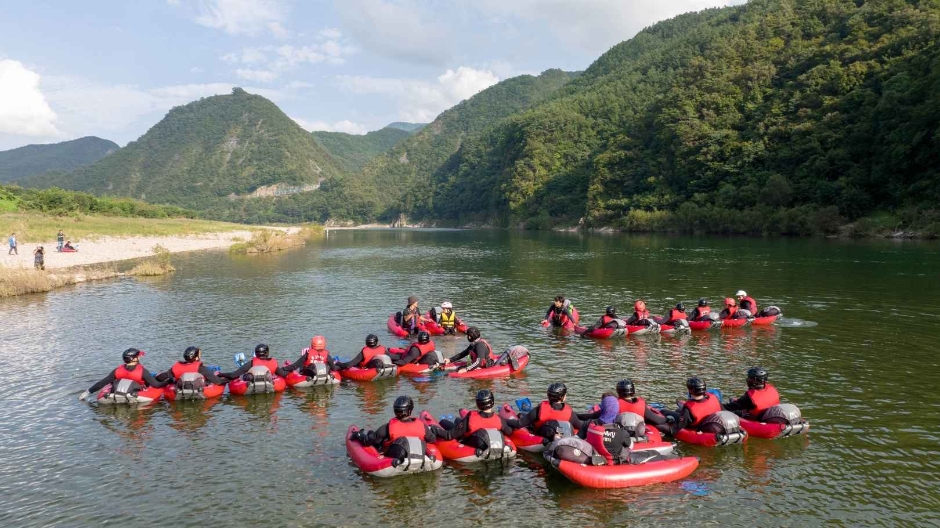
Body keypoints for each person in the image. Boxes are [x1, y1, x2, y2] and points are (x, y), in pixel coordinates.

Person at [350, 395, 438, 464]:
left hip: (396, 456)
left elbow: (367, 441)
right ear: (410, 411)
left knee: (371, 434)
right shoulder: (422, 426)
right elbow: (432, 439)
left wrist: (358, 435)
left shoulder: (387, 427)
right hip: (418, 453)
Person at [433, 389, 517, 453]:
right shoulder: (499, 419)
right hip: (486, 442)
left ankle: (439, 425)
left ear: (478, 404)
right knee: (458, 420)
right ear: (492, 402)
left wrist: (433, 429)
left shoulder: (471, 417)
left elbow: (449, 435)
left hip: (469, 442)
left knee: (443, 422)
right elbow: (509, 432)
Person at [78, 348, 169, 400]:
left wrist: (87, 392)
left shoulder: (117, 371)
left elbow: (101, 383)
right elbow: (156, 385)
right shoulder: (142, 371)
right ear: (133, 359)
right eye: (138, 356)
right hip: (135, 394)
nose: (140, 357)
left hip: (115, 393)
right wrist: (169, 381)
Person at [580, 379, 669, 429]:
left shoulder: (615, 405)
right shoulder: (641, 404)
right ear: (633, 391)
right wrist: (668, 419)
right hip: (637, 433)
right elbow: (658, 420)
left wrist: (575, 416)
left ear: (618, 392)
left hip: (620, 433)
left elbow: (593, 416)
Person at [515, 382, 585, 440]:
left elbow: (519, 424)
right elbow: (581, 427)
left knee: (521, 415)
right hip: (560, 437)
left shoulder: (539, 409)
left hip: (541, 435)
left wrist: (505, 421)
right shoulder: (570, 413)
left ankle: (524, 409)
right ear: (562, 397)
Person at [658, 377, 722, 435]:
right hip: (708, 422)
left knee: (664, 411)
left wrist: (655, 425)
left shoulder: (688, 410)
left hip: (695, 426)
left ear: (690, 391)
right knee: (678, 410)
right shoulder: (714, 398)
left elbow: (673, 431)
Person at [156, 346, 227, 385]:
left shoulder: (176, 367)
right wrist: (228, 380)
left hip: (180, 388)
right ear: (196, 358)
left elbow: (161, 377)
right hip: (199, 389)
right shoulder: (200, 368)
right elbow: (218, 382)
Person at [218, 344, 292, 380]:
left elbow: (233, 375)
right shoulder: (273, 363)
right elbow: (283, 374)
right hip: (268, 382)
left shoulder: (252, 363)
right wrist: (291, 369)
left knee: (242, 374)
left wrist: (220, 374)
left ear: (256, 354)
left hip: (251, 382)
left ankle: (243, 370)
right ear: (267, 353)